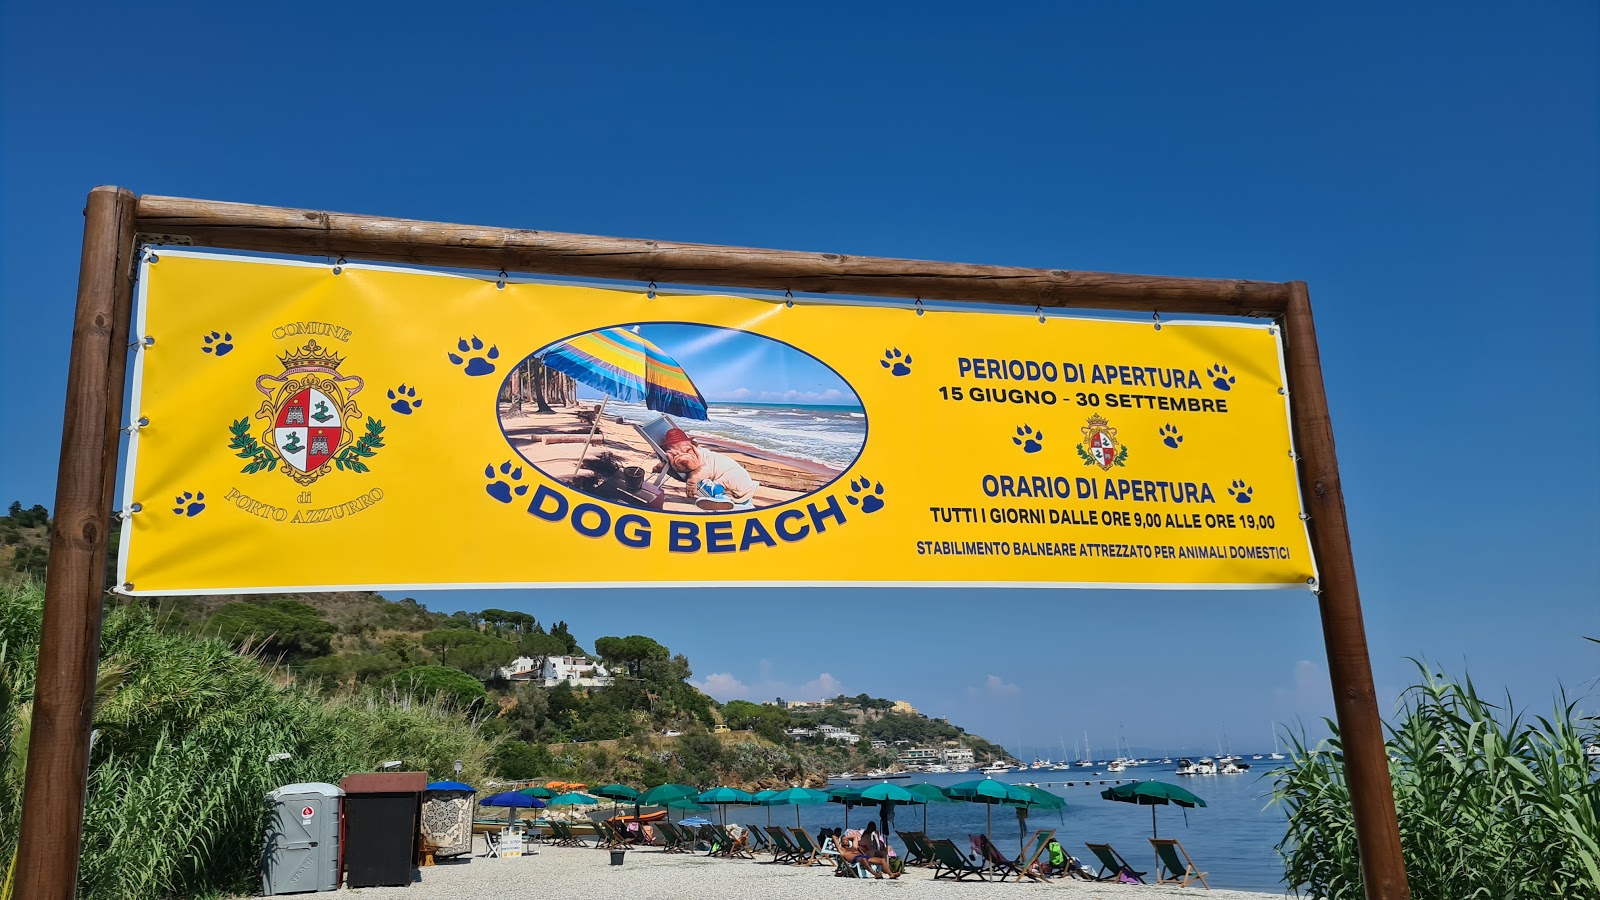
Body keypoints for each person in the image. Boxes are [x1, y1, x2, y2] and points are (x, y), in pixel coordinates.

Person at [654, 426, 759, 510]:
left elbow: (703, 471)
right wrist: (664, 466)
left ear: (695, 445)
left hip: (738, 477)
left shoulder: (704, 457)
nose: (683, 460)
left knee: (726, 479)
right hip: (737, 488)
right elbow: (678, 465)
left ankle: (721, 498)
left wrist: (692, 481)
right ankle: (729, 500)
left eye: (687, 451)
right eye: (674, 455)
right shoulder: (694, 455)